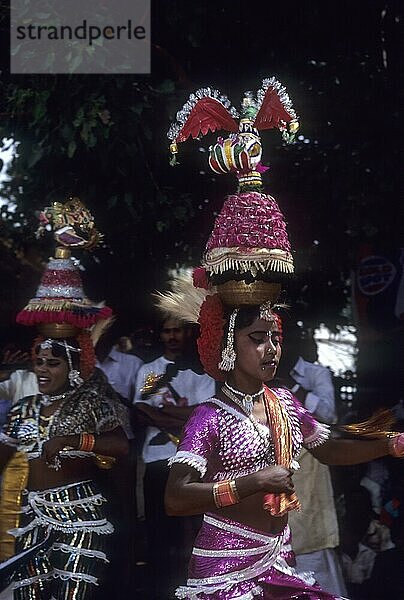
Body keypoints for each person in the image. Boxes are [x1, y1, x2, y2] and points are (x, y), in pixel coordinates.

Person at [161, 77, 404, 599]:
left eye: (274, 338)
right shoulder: (209, 419)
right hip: (224, 575)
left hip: (279, 562)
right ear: (228, 345)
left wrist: (389, 442)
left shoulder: (285, 405)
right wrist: (250, 484)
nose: (272, 349)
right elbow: (176, 498)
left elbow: (330, 446)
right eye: (257, 339)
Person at [0, 198, 129, 598]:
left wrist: (74, 442)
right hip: (29, 517)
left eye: (52, 364)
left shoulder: (94, 398)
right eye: (38, 362)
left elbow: (121, 446)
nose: (42, 370)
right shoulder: (24, 407)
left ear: (73, 365)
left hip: (80, 517)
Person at [134, 316, 215, 598]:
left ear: (187, 333)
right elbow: (142, 410)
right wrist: (183, 418)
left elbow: (203, 414)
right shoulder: (152, 371)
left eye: (176, 331)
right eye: (166, 331)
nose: (171, 336)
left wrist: (164, 415)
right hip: (157, 459)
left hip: (192, 462)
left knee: (194, 531)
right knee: (159, 532)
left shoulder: (202, 374)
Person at [276, 327, 348, 597]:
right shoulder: (258, 375)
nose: (272, 346)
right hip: (273, 476)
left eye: (278, 339)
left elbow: (329, 414)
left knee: (313, 548)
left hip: (311, 469)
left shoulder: (317, 374)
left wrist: (291, 389)